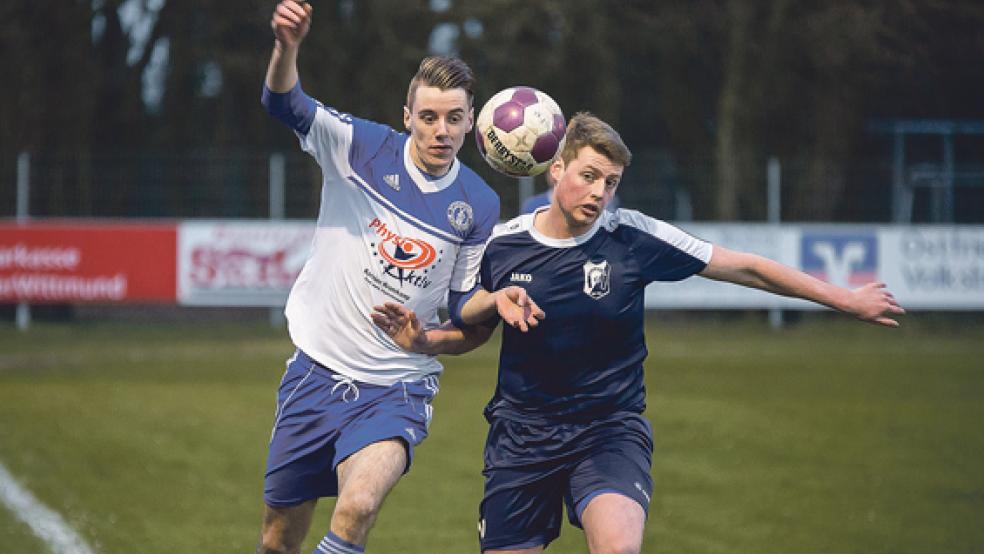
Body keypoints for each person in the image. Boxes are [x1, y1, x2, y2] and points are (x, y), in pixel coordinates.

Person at [371, 112, 905, 554]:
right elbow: (471, 327)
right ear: (555, 170)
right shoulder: (503, 247)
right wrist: (424, 341)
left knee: (619, 549)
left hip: (609, 429)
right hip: (522, 435)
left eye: (611, 183)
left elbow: (744, 267)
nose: (599, 192)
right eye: (589, 175)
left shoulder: (633, 238)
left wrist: (843, 298)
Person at [256, 2, 536, 552]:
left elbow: (464, 310)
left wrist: (483, 305)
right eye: (428, 117)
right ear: (407, 115)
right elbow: (282, 102)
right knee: (277, 540)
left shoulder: (478, 202)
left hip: (396, 386)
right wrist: (287, 46)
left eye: (454, 118)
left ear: (471, 120)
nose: (441, 131)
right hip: (314, 373)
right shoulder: (357, 146)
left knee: (357, 506)